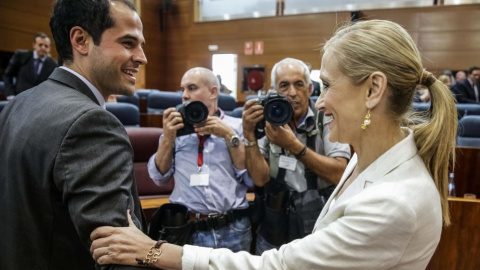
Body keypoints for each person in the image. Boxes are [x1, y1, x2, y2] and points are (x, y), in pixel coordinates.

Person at [89, 19, 457, 270]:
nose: (320, 101)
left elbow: (277, 266)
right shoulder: (374, 160)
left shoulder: (393, 202)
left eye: (325, 85)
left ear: (373, 90)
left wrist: (155, 252)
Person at [0, 0, 148, 269]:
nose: (141, 57)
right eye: (128, 43)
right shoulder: (93, 124)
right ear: (81, 40)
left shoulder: (16, 104)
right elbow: (119, 257)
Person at [242, 58, 350, 254]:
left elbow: (340, 173)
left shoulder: (326, 116)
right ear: (274, 91)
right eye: (284, 85)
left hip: (317, 225)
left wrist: (294, 146)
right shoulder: (269, 119)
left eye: (298, 84)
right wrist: (249, 134)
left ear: (309, 89)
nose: (292, 93)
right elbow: (260, 178)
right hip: (276, 220)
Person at [147, 67, 253, 251]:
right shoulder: (175, 129)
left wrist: (229, 136)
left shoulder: (236, 127)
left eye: (192, 88)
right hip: (188, 229)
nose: (185, 95)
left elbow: (249, 178)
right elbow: (159, 177)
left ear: (213, 92)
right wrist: (168, 138)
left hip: (233, 228)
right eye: (183, 90)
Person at [3, 32, 58, 97]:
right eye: (40, 45)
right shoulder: (21, 56)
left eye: (46, 46)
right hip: (18, 98)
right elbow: (7, 75)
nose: (43, 48)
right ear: (34, 45)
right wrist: (10, 95)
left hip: (39, 102)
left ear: (50, 48)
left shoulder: (54, 65)